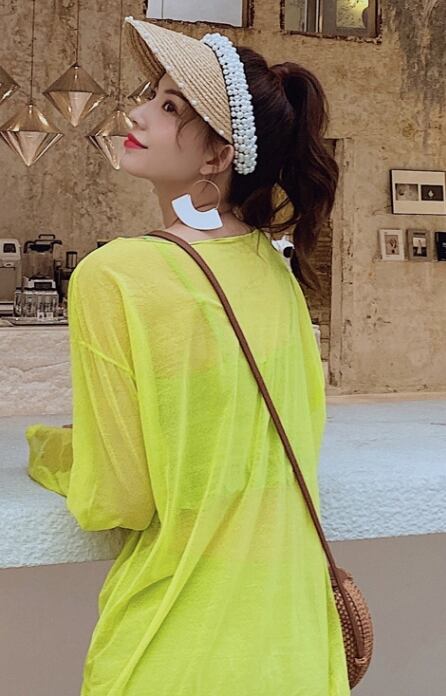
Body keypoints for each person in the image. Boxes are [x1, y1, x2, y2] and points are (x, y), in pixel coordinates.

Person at [25, 15, 349, 696]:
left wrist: (48, 453)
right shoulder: (275, 268)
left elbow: (118, 499)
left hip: (177, 643)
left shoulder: (117, 275)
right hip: (293, 643)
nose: (138, 112)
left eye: (171, 107)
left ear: (216, 157)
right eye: (152, 95)